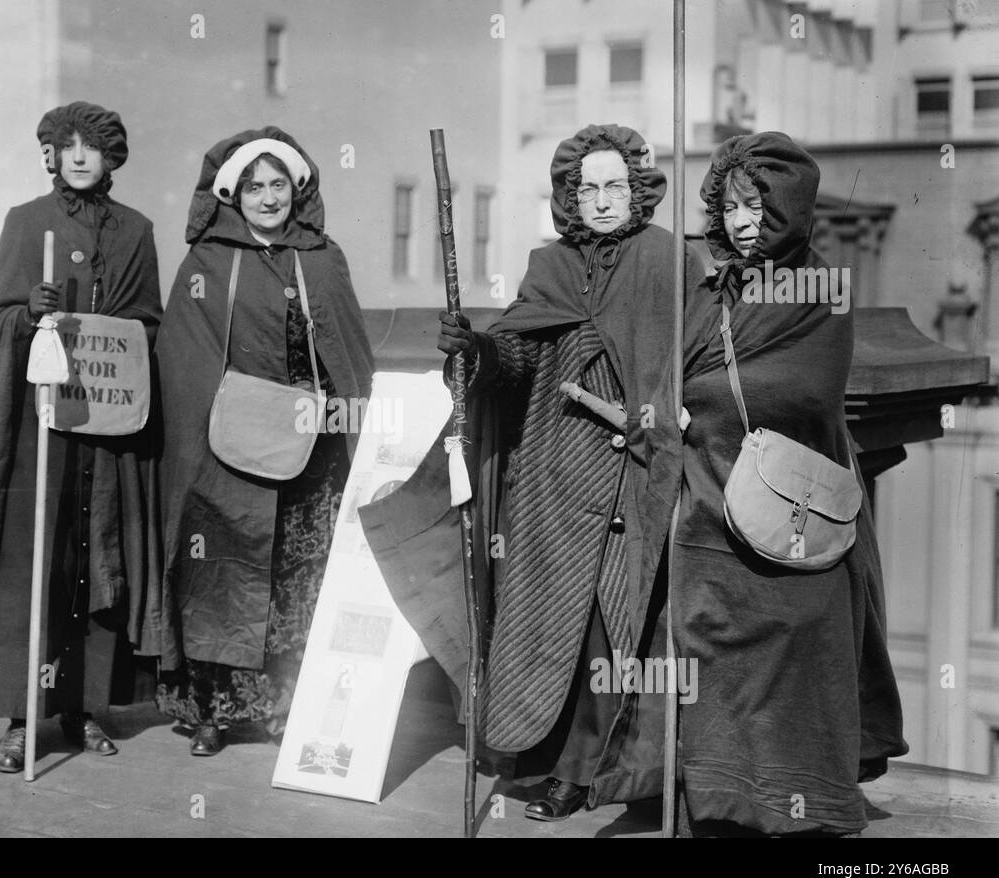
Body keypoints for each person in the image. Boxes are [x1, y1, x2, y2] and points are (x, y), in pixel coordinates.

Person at [363, 124, 698, 822]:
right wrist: (477, 352)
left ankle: (592, 773)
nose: (603, 199)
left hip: (632, 479)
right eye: (588, 187)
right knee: (553, 628)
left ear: (638, 191)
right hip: (553, 480)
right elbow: (517, 365)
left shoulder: (669, 263)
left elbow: (688, 367)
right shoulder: (550, 268)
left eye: (616, 186)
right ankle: (543, 760)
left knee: (617, 629)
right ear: (569, 196)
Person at [674, 131, 907, 835]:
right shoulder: (713, 287)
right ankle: (721, 802)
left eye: (757, 206)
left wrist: (700, 392)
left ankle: (794, 804)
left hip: (790, 511)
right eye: (733, 207)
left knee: (793, 666)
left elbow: (802, 392)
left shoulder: (822, 288)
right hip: (710, 505)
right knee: (712, 666)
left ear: (788, 209)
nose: (743, 221)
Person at [0, 101, 173, 773]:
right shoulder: (27, 222)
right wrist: (27, 317)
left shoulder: (136, 232)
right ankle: (24, 718)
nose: (78, 156)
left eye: (92, 147)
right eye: (66, 146)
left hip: (104, 428)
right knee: (32, 562)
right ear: (50, 155)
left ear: (111, 158)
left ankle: (82, 709)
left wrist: (109, 339)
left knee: (94, 562)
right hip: (36, 428)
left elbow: (149, 326)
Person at [154, 127, 375, 756]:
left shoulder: (323, 257)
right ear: (235, 194)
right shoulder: (209, 260)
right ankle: (214, 713)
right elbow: (185, 362)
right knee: (224, 569)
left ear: (296, 190)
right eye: (255, 186)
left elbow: (347, 351)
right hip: (229, 444)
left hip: (311, 449)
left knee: (296, 575)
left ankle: (287, 708)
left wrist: (344, 415)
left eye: (279, 185)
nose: (268, 197)